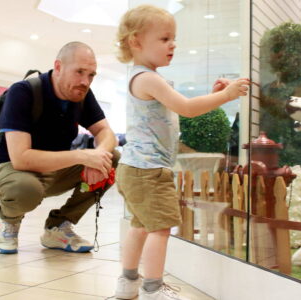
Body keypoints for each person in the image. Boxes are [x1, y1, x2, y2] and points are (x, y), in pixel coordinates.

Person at [114, 5, 250, 300]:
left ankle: (127, 283)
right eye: (164, 39)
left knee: (140, 226)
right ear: (136, 41)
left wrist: (214, 95)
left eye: (173, 38)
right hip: (148, 170)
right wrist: (226, 95)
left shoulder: (143, 77)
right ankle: (152, 288)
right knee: (160, 229)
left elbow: (182, 109)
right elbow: (187, 109)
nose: (173, 44)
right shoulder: (148, 79)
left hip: (134, 168)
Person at [0, 41, 119, 255]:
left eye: (91, 75)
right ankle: (9, 223)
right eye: (79, 72)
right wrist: (83, 156)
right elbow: (21, 159)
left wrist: (98, 156)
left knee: (112, 159)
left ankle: (58, 228)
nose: (85, 81)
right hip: (8, 171)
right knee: (25, 189)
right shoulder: (24, 92)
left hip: (51, 170)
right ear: (58, 67)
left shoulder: (81, 94)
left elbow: (106, 133)